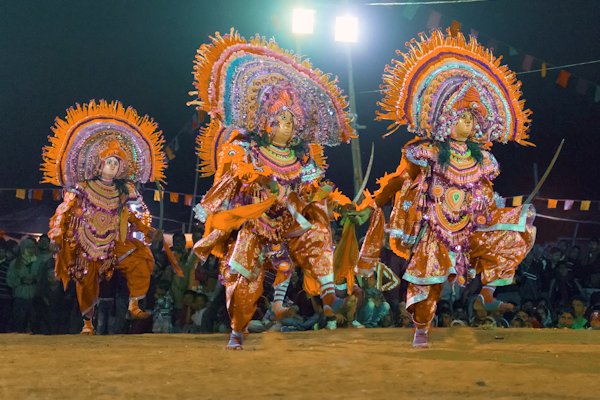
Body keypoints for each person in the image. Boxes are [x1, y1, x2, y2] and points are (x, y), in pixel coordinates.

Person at [356, 29, 535, 348]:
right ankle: (421, 327)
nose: (468, 123)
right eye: (461, 117)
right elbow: (403, 175)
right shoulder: (426, 151)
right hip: (436, 226)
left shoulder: (484, 160)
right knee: (429, 279)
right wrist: (385, 196)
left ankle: (488, 294)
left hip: (472, 222)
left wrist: (492, 208)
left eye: (472, 118)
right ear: (444, 120)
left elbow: (485, 192)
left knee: (518, 229)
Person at [188, 30, 353, 349]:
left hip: (290, 222)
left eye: (291, 122)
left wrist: (333, 201)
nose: (285, 126)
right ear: (265, 123)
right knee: (244, 279)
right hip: (256, 224)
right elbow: (230, 178)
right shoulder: (245, 152)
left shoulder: (301, 160)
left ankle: (328, 289)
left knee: (317, 234)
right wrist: (211, 206)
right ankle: (238, 328)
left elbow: (312, 190)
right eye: (279, 120)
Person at [42, 100, 167, 334]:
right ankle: (87, 323)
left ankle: (133, 305)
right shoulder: (83, 187)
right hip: (86, 241)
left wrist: (147, 230)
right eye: (108, 162)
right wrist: (56, 234)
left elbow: (129, 216)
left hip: (113, 242)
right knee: (86, 283)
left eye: (116, 163)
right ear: (99, 165)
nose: (112, 166)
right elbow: (64, 211)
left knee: (141, 258)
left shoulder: (123, 191)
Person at [6, 238, 40, 332]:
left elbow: (43, 279)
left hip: (34, 298)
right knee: (19, 324)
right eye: (27, 248)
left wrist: (35, 279)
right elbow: (9, 281)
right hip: (20, 298)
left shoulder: (38, 262)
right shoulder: (14, 264)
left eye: (32, 247)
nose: (30, 250)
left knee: (34, 325)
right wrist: (21, 280)